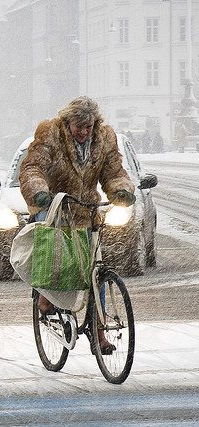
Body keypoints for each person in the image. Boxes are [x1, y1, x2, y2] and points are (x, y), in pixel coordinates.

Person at [18, 95, 136, 355]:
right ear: (67, 123)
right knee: (54, 254)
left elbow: (113, 172)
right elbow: (32, 167)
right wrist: (40, 193)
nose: (83, 132)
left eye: (88, 127)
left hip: (86, 210)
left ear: (95, 124)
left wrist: (121, 190)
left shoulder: (105, 138)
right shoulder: (50, 133)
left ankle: (98, 330)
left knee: (96, 271)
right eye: (78, 127)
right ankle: (46, 297)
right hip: (55, 204)